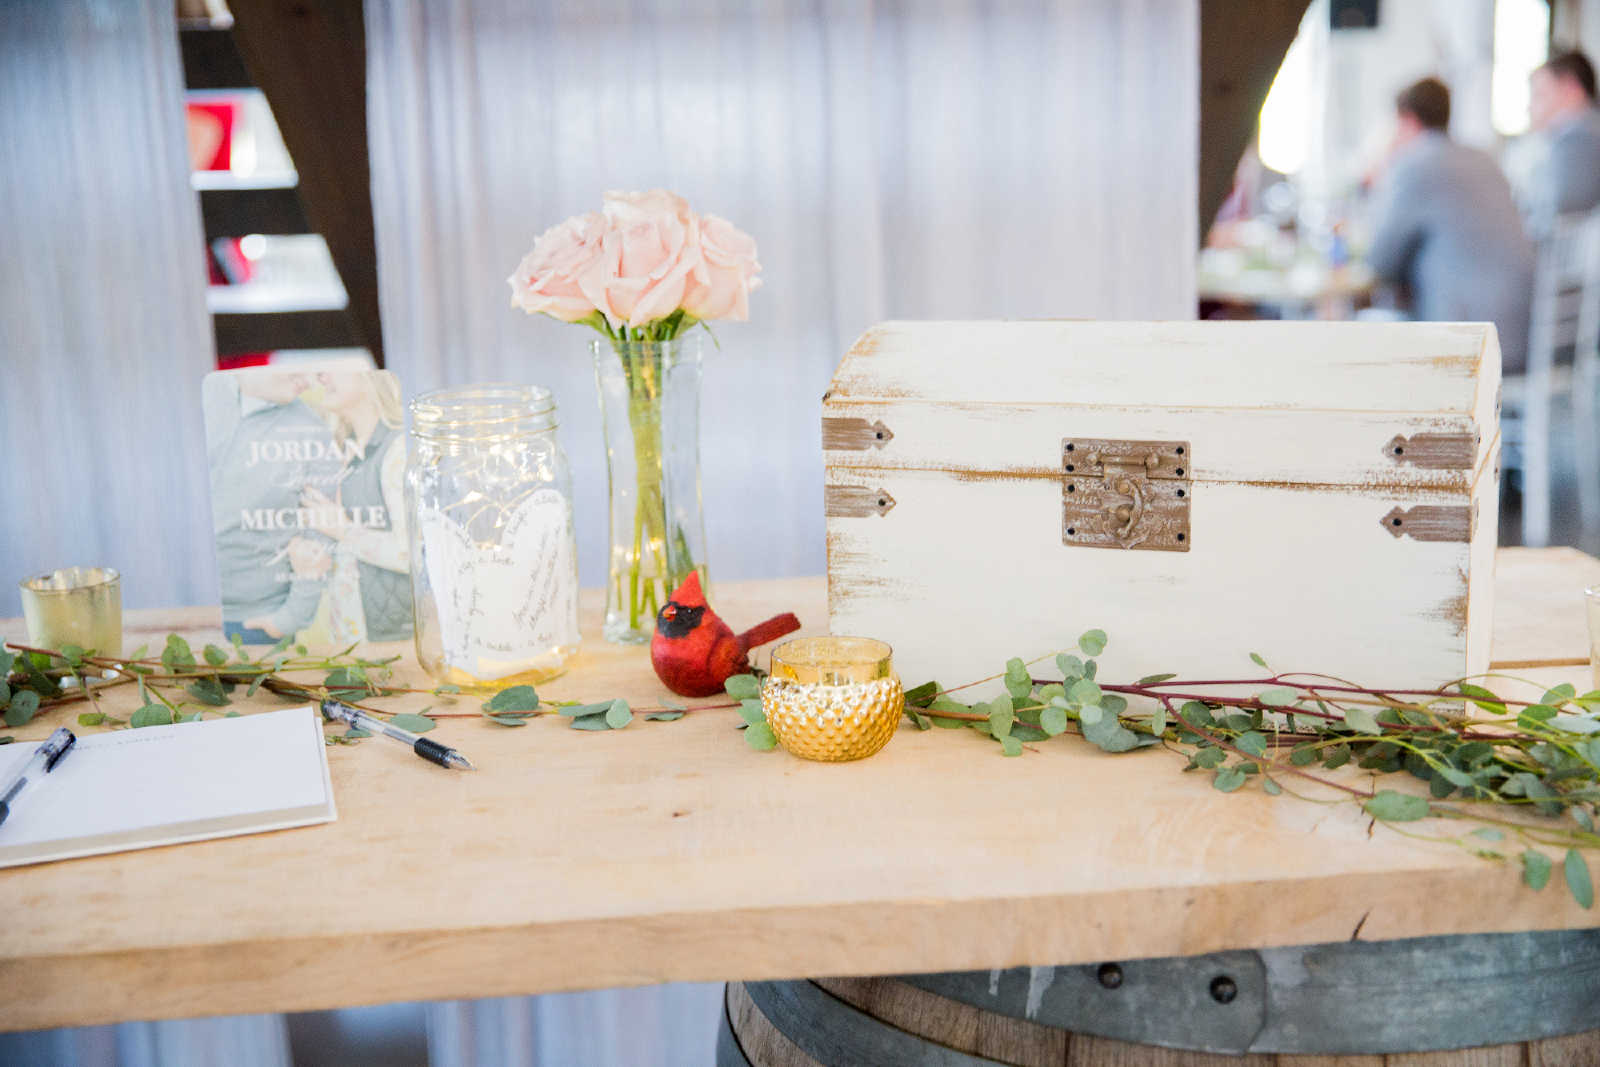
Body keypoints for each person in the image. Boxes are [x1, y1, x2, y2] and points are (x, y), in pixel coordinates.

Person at [1366, 78, 1535, 373]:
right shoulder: (1486, 159)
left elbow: (1380, 262)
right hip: (1523, 330)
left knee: (1368, 332)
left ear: (1407, 119)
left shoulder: (1415, 166)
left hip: (1471, 338)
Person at [202, 368, 340, 644]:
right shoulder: (202, 394)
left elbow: (322, 537)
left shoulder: (311, 431)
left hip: (255, 622)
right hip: (181, 610)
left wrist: (288, 620)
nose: (311, 379)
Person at [296, 369, 413, 643]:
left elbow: (412, 555)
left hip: (390, 637)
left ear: (371, 378)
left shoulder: (397, 449)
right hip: (346, 635)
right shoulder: (336, 450)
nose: (322, 375)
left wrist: (343, 532)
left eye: (337, 367)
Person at [1526, 50, 1600, 237]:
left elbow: (1561, 211)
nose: (1530, 107)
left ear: (1571, 88)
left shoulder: (1580, 139)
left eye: (1539, 95)